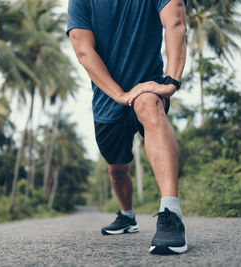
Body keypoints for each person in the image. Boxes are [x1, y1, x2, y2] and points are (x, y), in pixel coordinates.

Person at [67, 0, 188, 254]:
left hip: (147, 87)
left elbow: (175, 22)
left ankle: (170, 213)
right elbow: (83, 51)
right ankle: (127, 215)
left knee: (148, 105)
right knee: (117, 170)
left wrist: (171, 82)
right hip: (108, 100)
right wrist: (121, 95)